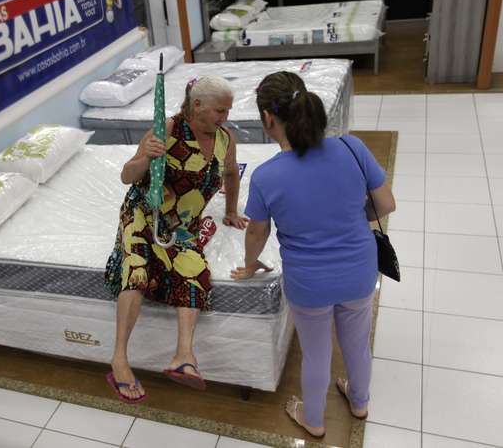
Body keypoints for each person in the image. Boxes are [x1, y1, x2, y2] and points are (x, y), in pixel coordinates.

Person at [231, 71, 396, 437]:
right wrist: (350, 219)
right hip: (359, 271)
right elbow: (386, 203)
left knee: (317, 354)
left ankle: (315, 422)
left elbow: (257, 232)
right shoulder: (352, 147)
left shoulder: (266, 176)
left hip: (309, 283)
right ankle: (359, 401)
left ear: (267, 119)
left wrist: (250, 263)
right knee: (356, 342)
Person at [104, 75, 249, 403]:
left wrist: (230, 211)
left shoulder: (225, 138)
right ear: (196, 106)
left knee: (195, 273)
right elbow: (127, 175)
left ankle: (184, 357)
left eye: (227, 110)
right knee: (137, 270)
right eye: (219, 111)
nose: (225, 117)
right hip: (144, 213)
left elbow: (229, 174)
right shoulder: (167, 129)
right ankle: (119, 360)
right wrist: (145, 158)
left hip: (182, 224)